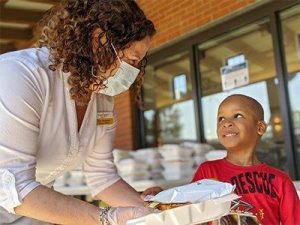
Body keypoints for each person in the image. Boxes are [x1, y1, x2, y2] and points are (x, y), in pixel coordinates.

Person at [0, 0, 158, 224]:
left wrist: (155, 210)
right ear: (98, 40)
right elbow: (13, 185)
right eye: (131, 61)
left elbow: (102, 177)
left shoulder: (103, 101)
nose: (133, 72)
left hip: (31, 213)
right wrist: (107, 218)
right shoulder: (20, 76)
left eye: (138, 64)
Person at [192, 94, 300, 225]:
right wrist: (162, 199)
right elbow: (185, 210)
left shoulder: (281, 180)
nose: (226, 123)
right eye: (221, 118)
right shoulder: (208, 172)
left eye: (237, 115)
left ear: (260, 128)